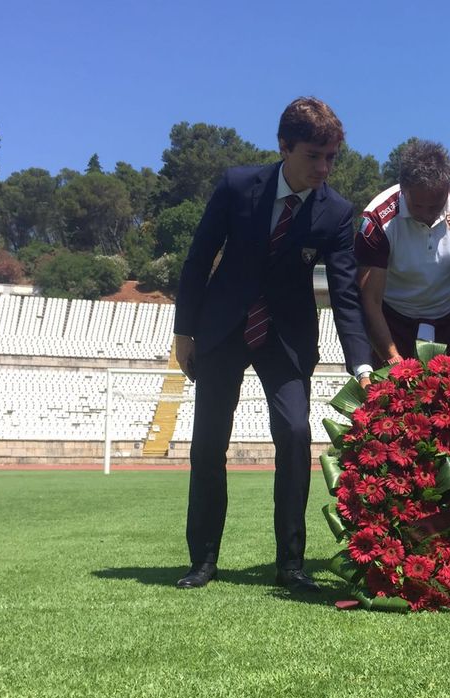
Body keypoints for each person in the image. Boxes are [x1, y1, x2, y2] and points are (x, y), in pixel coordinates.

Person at [172, 97, 373, 592]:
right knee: (208, 444)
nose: (324, 168)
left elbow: (346, 293)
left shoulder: (337, 212)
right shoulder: (237, 187)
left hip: (284, 339)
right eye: (313, 156)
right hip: (221, 331)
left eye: (332, 157)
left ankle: (291, 563)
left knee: (296, 434)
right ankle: (203, 560)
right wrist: (184, 330)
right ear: (283, 147)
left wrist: (361, 364)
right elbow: (199, 258)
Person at [356, 140, 450, 366]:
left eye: (436, 206)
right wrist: (392, 357)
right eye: (418, 206)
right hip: (392, 323)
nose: (427, 214)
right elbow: (370, 299)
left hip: (449, 321)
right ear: (403, 189)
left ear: (448, 189)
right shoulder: (378, 219)